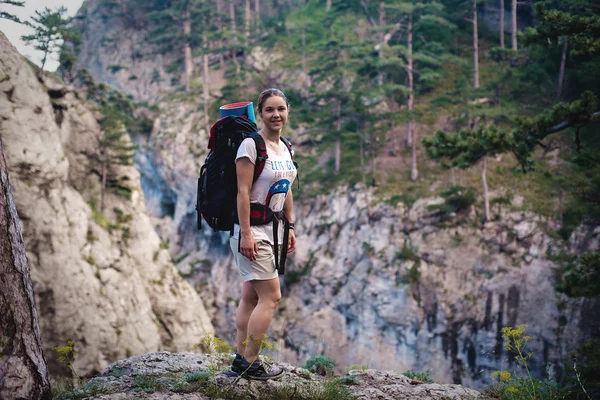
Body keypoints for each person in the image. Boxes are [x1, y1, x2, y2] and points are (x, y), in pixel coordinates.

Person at [229, 88, 297, 380]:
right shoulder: (250, 145)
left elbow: (286, 188)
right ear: (260, 113)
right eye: (269, 109)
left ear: (287, 111)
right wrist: (246, 234)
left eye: (280, 109)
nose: (276, 115)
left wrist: (290, 225)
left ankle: (238, 357)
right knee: (272, 296)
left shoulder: (285, 147)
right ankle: (249, 362)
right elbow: (242, 192)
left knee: (251, 296)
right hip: (252, 230)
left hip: (275, 227)